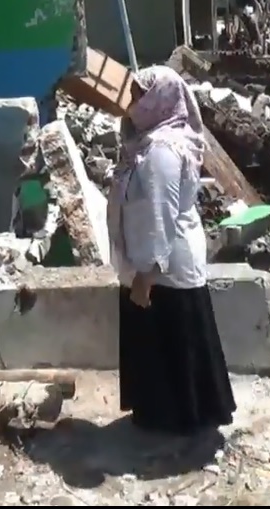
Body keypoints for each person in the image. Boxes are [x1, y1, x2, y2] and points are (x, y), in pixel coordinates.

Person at [107, 66, 236, 435]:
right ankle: (167, 417)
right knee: (160, 342)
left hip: (164, 263)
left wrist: (147, 275)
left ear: (158, 100)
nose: (131, 103)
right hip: (155, 259)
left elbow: (160, 213)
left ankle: (183, 424)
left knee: (173, 339)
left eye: (138, 95)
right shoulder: (149, 143)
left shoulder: (162, 149)